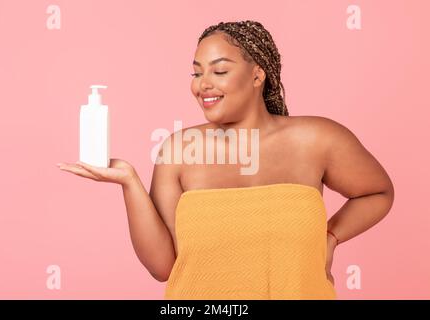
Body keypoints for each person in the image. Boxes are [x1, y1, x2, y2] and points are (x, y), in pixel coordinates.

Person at [57, 20, 394, 299]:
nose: (203, 85)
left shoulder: (318, 138)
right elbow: (163, 268)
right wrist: (129, 181)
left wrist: (331, 236)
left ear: (257, 75)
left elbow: (378, 192)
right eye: (196, 73)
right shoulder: (179, 150)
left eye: (219, 71)